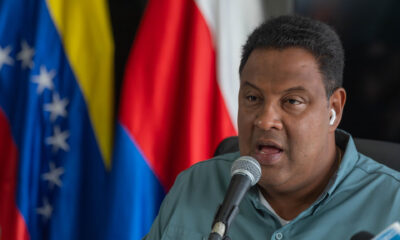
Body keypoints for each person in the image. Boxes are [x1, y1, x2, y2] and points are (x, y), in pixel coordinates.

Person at [144, 15, 400, 239]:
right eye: (253, 98)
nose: (265, 120)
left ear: (333, 109)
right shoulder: (196, 184)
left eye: (291, 101)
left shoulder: (393, 205)